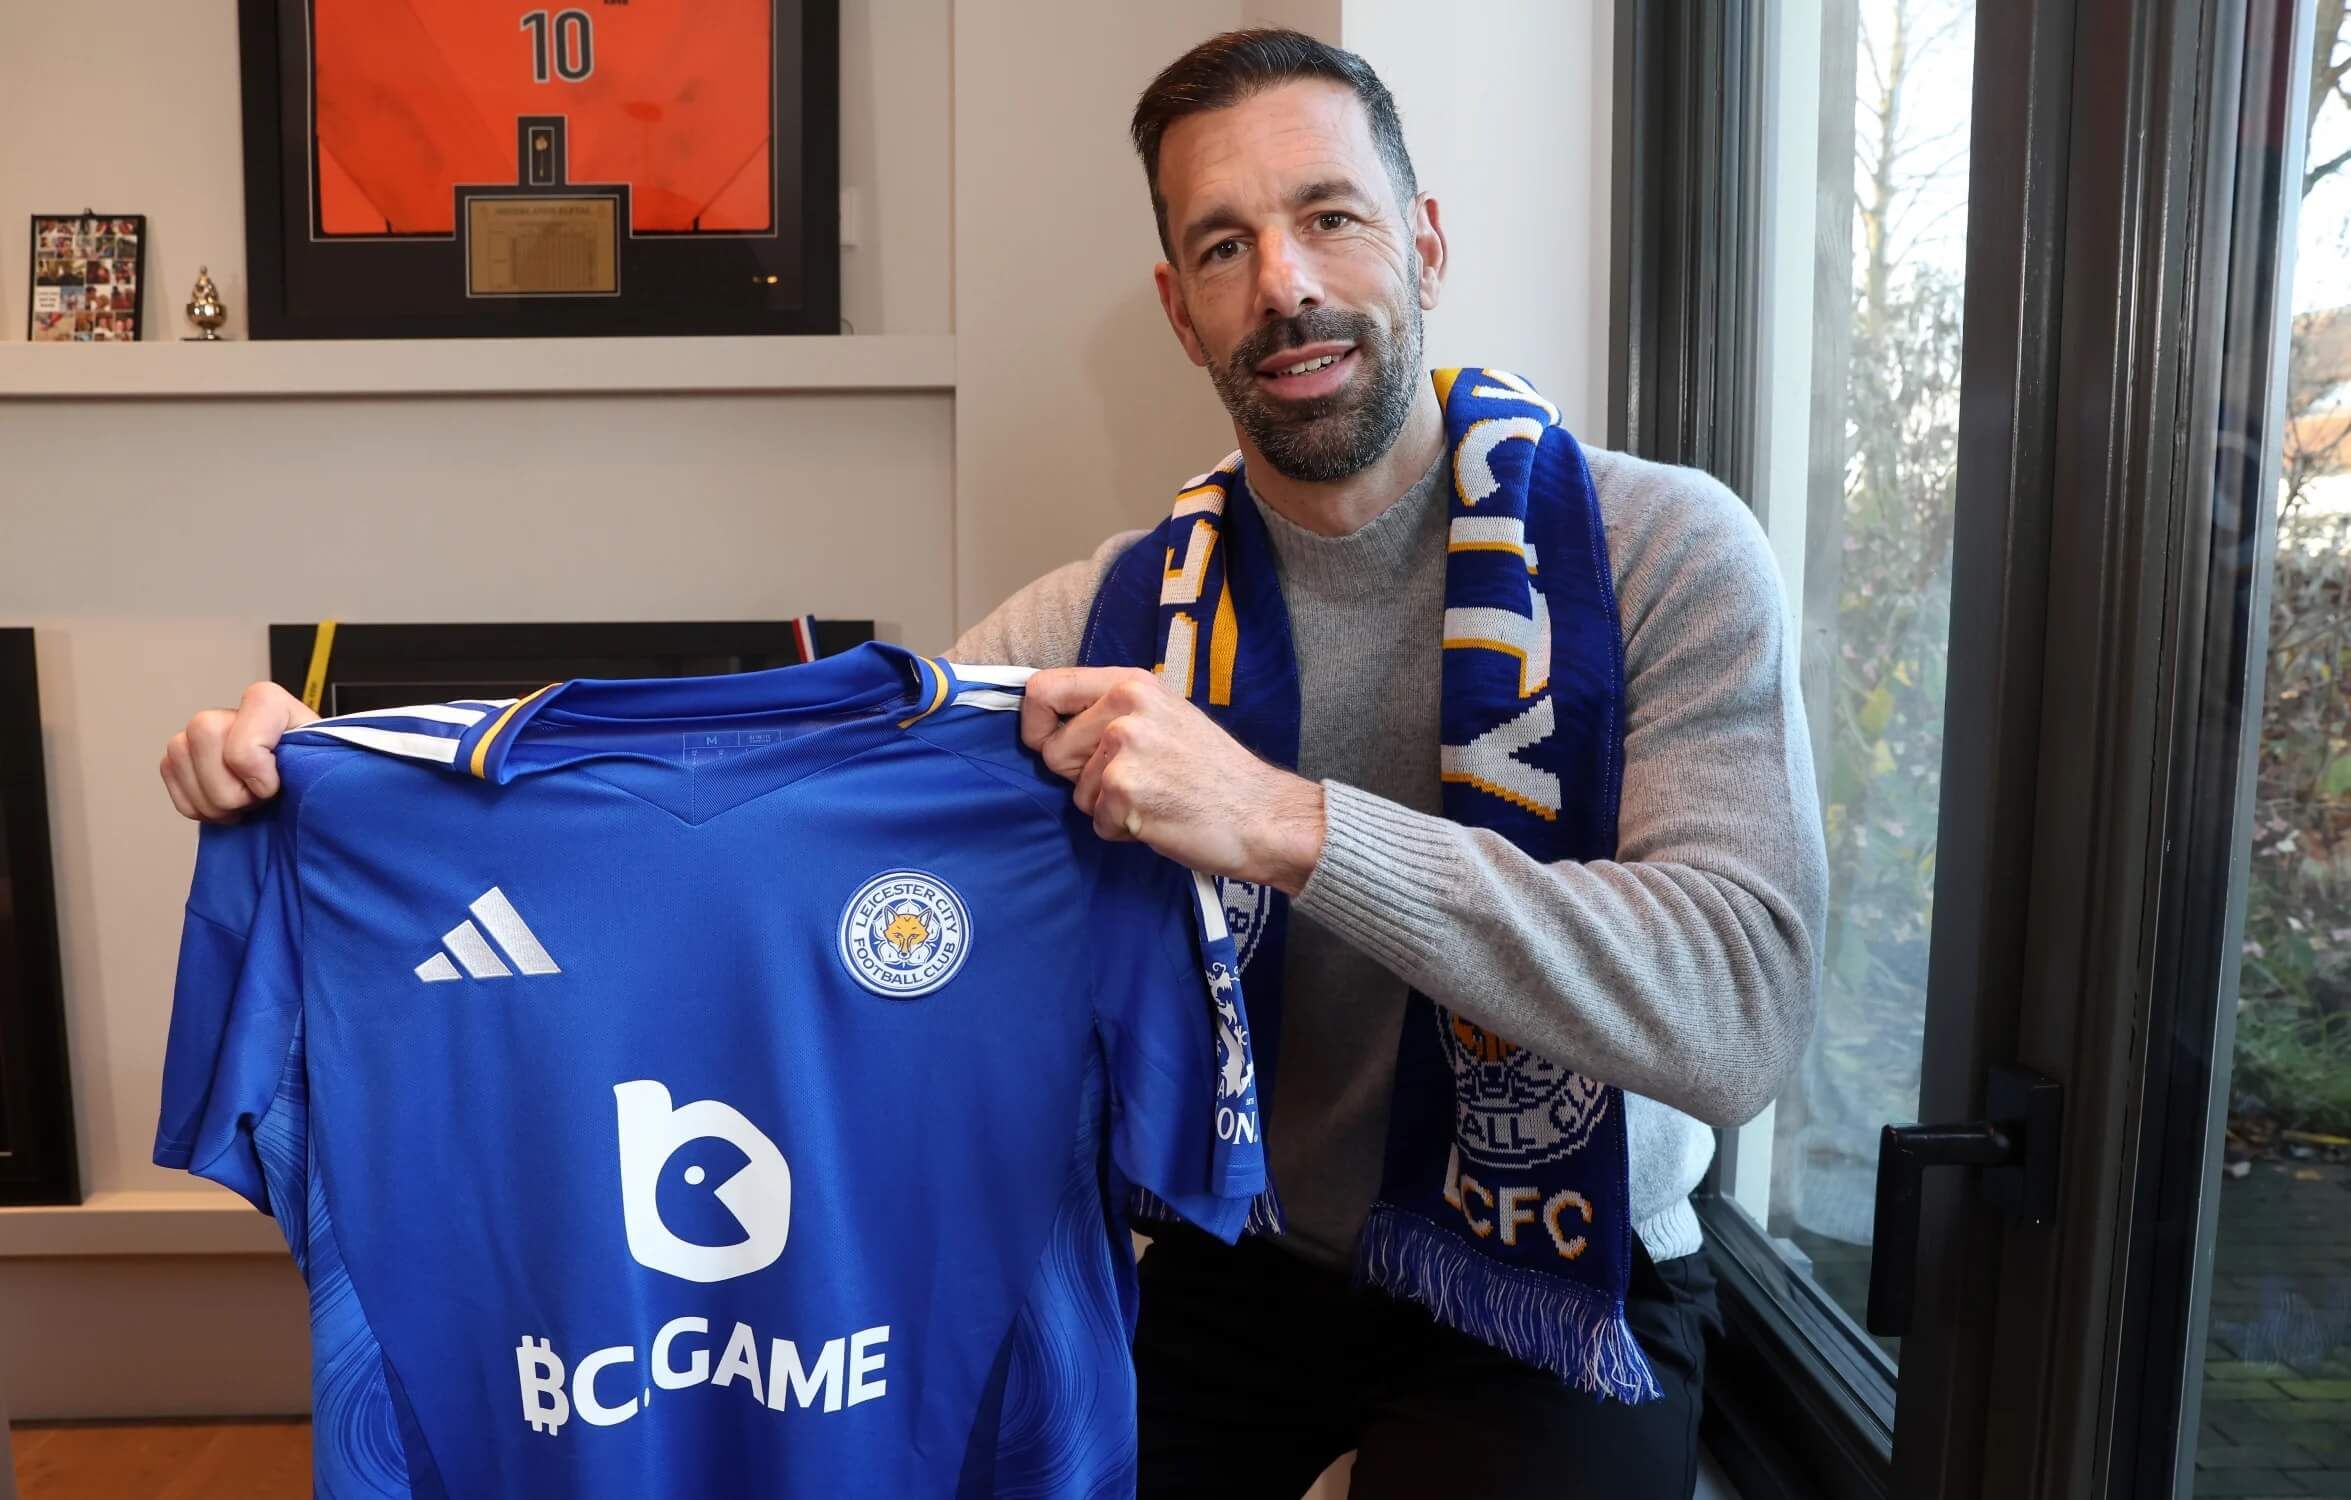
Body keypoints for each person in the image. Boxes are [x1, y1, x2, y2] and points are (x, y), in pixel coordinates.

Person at [162, 29, 1824, 1500]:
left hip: (1560, 1281)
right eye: (1225, 246)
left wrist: (1285, 823)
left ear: (1426, 241)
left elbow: (1739, 1012)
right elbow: (778, 803)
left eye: (1332, 218)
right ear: (1180, 311)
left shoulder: (1658, 552)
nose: (1288, 287)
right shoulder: (1092, 623)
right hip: (1228, 1260)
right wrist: (359, 776)